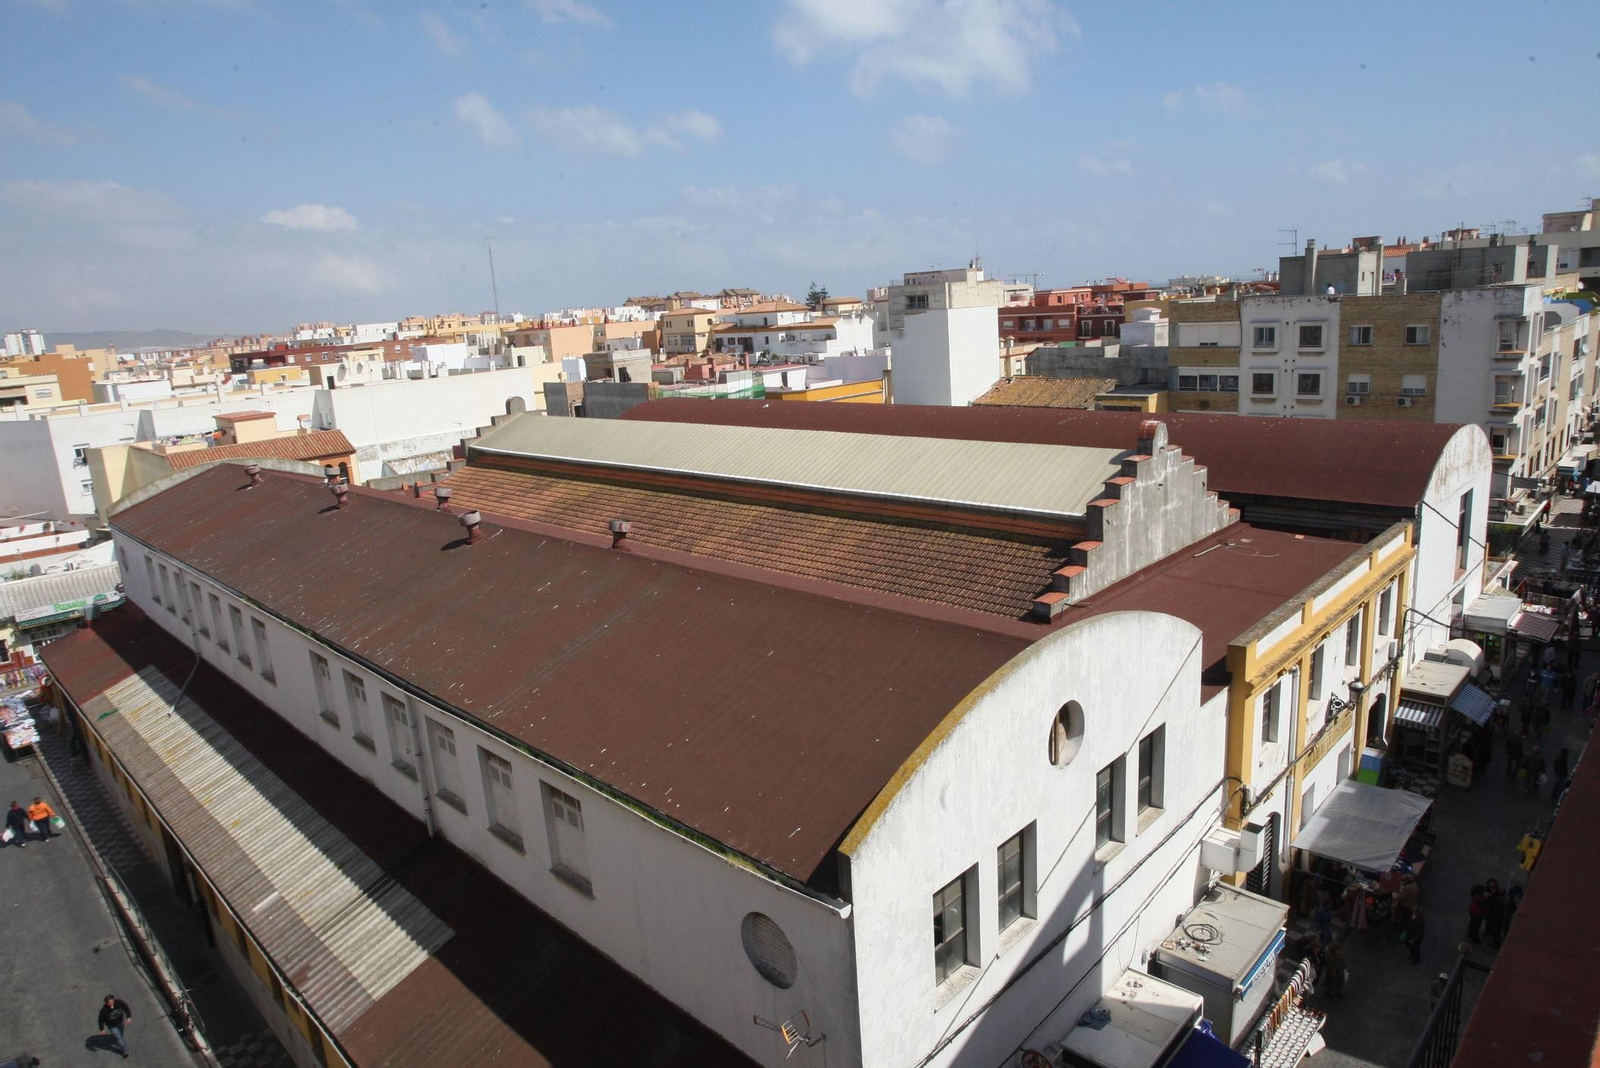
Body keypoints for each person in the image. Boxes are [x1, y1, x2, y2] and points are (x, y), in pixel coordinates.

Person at [98, 993, 133, 1058]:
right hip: (112, 1026)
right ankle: (125, 1050)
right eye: (109, 1002)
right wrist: (102, 1029)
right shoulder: (104, 1011)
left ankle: (119, 1039)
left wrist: (128, 1016)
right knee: (119, 1037)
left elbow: (126, 1007)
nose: (110, 1003)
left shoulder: (118, 1002)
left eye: (112, 1001)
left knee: (121, 1035)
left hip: (120, 1023)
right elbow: (100, 1020)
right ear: (106, 1003)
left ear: (113, 1000)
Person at [1484, 878, 1507, 949]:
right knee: (1487, 922)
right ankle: (1487, 931)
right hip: (1489, 911)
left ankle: (1496, 945)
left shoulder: (1498, 893)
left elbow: (1499, 909)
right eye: (1491, 884)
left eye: (1493, 884)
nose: (1492, 885)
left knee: (1496, 931)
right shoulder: (1487, 891)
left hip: (1495, 915)